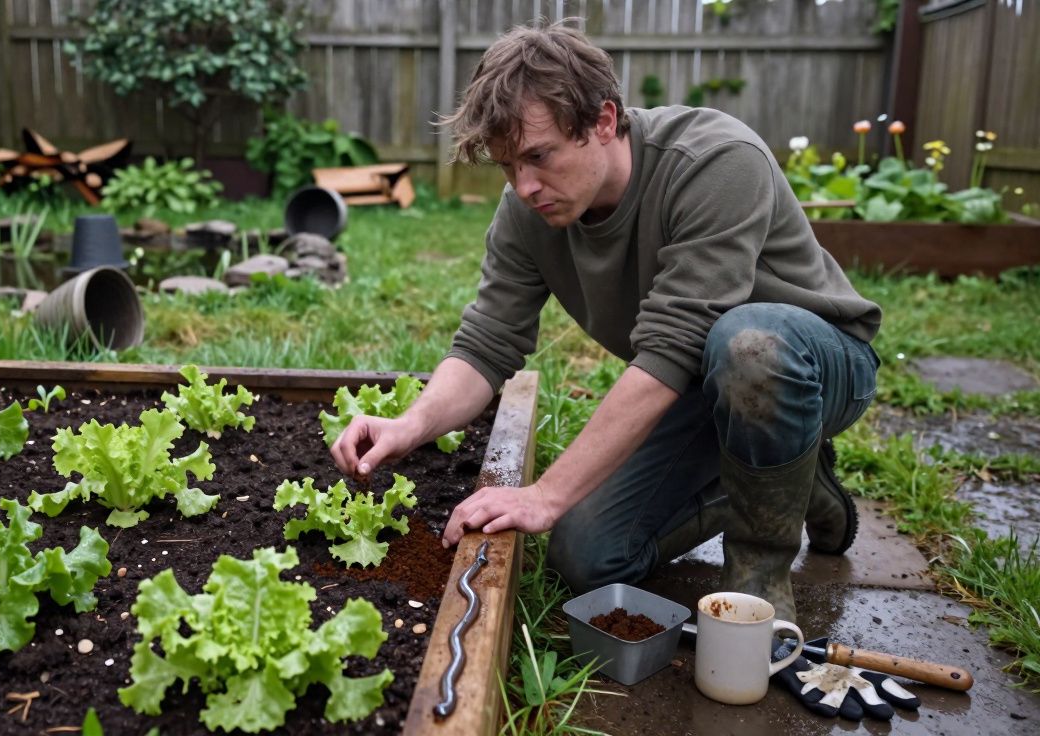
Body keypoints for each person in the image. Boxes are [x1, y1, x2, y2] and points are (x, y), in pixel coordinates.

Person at [328, 20, 881, 627]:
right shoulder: (527, 210)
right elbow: (488, 341)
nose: (525, 186)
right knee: (587, 555)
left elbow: (671, 349)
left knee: (748, 344)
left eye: (539, 156)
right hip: (699, 382)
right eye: (508, 166)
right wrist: (410, 426)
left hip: (817, 366)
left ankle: (761, 575)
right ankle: (784, 476)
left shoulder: (717, 161)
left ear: (604, 121)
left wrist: (545, 493)